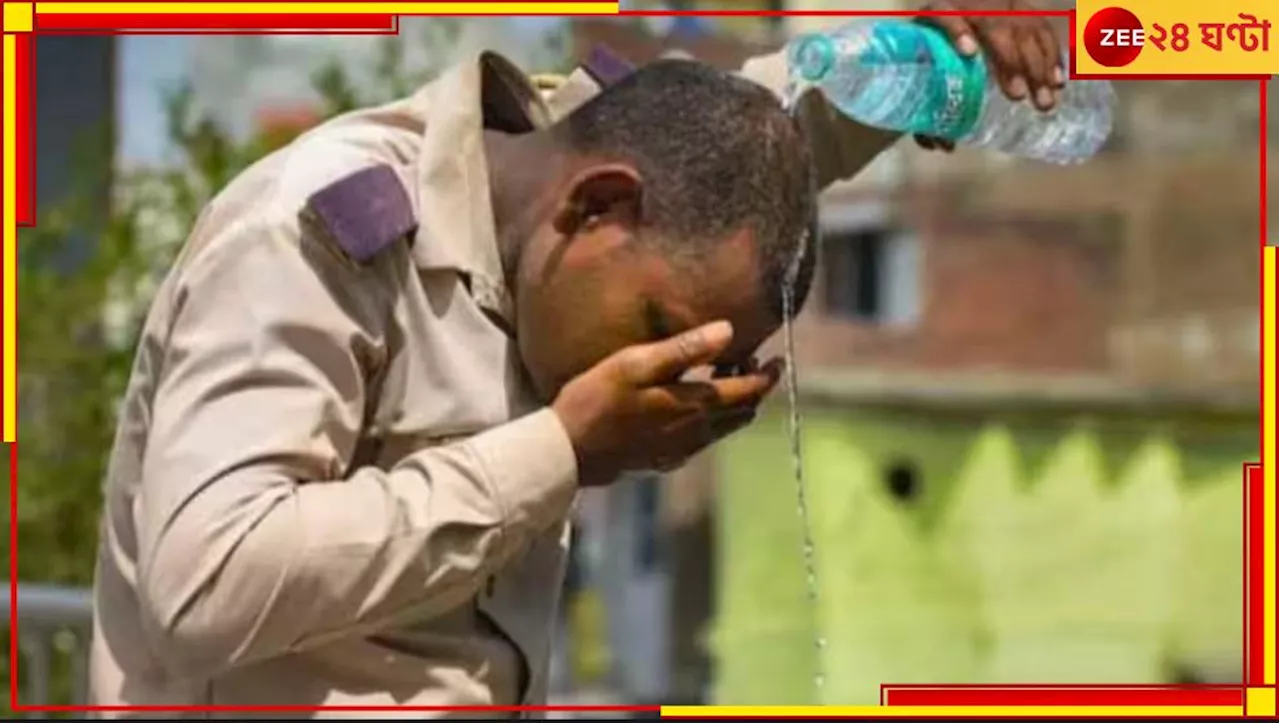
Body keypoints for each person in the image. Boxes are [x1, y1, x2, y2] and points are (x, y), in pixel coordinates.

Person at [88, 1, 1065, 715]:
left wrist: (935, 49)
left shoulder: (599, 172)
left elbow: (770, 119)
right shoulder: (312, 239)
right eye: (659, 327)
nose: (672, 375)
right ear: (592, 207)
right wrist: (560, 452)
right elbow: (201, 582)